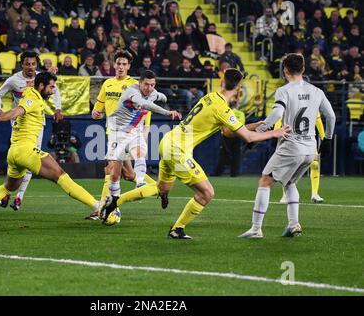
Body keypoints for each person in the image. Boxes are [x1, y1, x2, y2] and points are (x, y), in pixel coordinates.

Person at [101, 68, 291, 238]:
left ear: (222, 83)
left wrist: (252, 126)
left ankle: (114, 201)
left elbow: (227, 131)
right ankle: (177, 228)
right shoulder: (223, 108)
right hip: (178, 150)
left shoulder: (209, 97)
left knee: (162, 189)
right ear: (239, 89)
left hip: (168, 141)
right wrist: (275, 132)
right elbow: (247, 138)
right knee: (207, 193)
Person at [0, 72, 101, 224]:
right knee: (61, 176)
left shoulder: (29, 92)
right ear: (41, 86)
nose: (52, 90)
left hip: (14, 152)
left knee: (8, 187)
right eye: (50, 87)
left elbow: (29, 91)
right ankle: (98, 206)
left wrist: (50, 74)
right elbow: (18, 111)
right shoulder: (32, 99)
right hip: (26, 150)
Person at [239, 54, 336, 239]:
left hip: (292, 146)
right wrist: (328, 140)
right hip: (310, 148)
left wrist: (258, 133)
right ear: (303, 69)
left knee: (265, 180)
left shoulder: (284, 90)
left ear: (285, 70)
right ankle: (293, 225)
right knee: (289, 182)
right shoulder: (316, 91)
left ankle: (256, 229)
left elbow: (276, 114)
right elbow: (330, 116)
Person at [87, 50, 157, 219]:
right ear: (114, 65)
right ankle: (156, 187)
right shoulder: (108, 83)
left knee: (110, 169)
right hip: (112, 131)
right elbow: (100, 103)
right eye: (118, 63)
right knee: (128, 174)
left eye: (124, 64)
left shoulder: (135, 84)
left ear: (129, 66)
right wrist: (96, 112)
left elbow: (145, 107)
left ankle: (106, 208)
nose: (120, 66)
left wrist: (146, 130)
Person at [101, 70, 180, 215]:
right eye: (146, 84)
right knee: (114, 172)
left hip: (134, 131)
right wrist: (167, 112)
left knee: (140, 153)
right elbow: (145, 104)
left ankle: (141, 183)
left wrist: (164, 97)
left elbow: (160, 96)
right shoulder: (132, 92)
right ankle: (114, 206)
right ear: (139, 83)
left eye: (152, 85)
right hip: (116, 131)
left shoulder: (153, 92)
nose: (149, 88)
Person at [0, 51, 63, 211]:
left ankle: (19, 197)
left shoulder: (41, 78)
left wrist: (58, 109)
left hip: (37, 124)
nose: (31, 67)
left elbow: (56, 90)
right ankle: (8, 190)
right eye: (27, 64)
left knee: (32, 159)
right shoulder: (13, 80)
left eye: (33, 64)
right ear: (22, 64)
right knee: (15, 160)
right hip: (18, 125)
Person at [279, 114, 327, 204]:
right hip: (293, 139)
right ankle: (285, 195)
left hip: (309, 140)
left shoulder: (313, 102)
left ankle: (315, 194)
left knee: (315, 164)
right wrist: (276, 132)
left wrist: (324, 138)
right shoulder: (291, 102)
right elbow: (280, 118)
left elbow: (318, 121)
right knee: (290, 165)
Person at [213, 99, 246, 177]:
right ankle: (234, 173)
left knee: (223, 154)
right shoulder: (240, 113)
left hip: (226, 135)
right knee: (236, 155)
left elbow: (222, 123)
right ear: (237, 105)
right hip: (238, 135)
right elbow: (241, 124)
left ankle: (218, 172)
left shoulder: (226, 112)